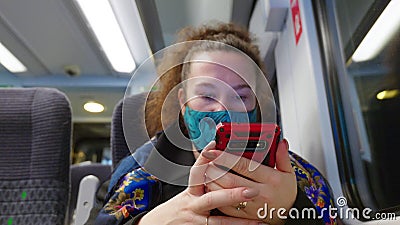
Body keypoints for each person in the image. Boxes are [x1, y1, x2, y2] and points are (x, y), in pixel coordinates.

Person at [94, 23, 336, 225]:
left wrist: (292, 212)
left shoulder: (295, 175)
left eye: (241, 96)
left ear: (256, 103)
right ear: (183, 101)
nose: (224, 109)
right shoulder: (141, 170)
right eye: (207, 96)